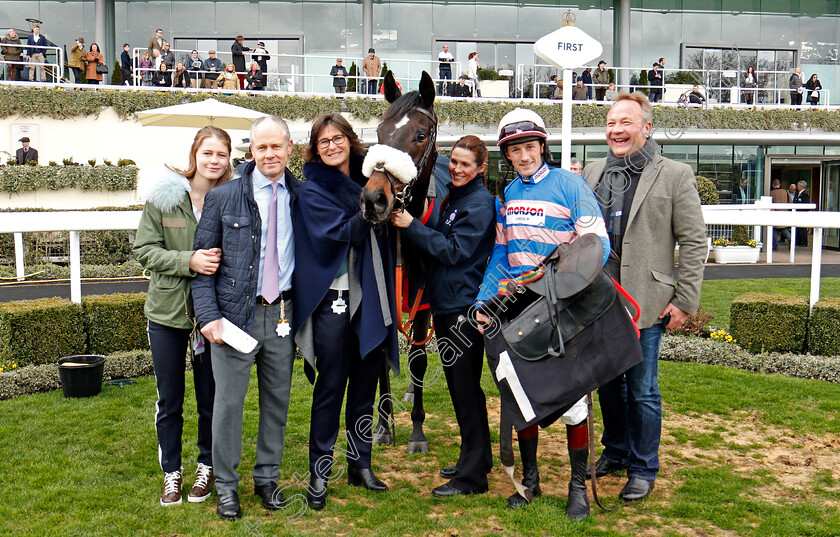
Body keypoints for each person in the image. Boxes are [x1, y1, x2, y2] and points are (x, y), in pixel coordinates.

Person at [475, 108, 610, 520]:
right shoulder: (509, 194)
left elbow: (596, 245)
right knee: (523, 395)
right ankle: (531, 481)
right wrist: (485, 299)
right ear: (508, 155)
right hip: (518, 308)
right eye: (515, 150)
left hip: (563, 306)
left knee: (573, 403)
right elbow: (502, 252)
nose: (524, 156)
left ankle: (577, 488)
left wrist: (554, 277)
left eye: (530, 147)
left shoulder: (572, 185)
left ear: (541, 147)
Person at [583, 92, 706, 503]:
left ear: (647, 128)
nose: (616, 130)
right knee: (607, 387)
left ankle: (642, 468)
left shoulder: (675, 174)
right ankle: (615, 452)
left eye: (626, 122)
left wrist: (685, 301)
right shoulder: (594, 171)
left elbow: (693, 241)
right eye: (611, 122)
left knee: (641, 390)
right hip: (599, 301)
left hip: (647, 302)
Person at [193, 116, 299, 520]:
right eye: (261, 147)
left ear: (290, 148)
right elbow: (203, 267)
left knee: (277, 402)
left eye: (276, 147)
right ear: (250, 151)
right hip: (233, 318)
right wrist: (208, 317)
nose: (269, 154)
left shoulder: (301, 196)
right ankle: (226, 488)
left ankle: (267, 480)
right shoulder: (223, 198)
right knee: (228, 405)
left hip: (283, 314)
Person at [293, 113, 398, 510]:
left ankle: (360, 463)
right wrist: (374, 205)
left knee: (365, 387)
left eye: (338, 138)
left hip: (370, 297)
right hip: (333, 301)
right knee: (331, 387)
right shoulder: (313, 189)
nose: (332, 146)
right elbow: (339, 234)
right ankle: (319, 472)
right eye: (324, 142)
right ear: (315, 149)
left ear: (350, 141)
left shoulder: (367, 180)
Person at [133, 126, 233, 507]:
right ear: (195, 154)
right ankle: (172, 473)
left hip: (213, 317)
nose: (213, 160)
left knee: (212, 397)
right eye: (207, 153)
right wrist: (187, 261)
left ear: (228, 160)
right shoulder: (164, 199)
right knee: (170, 399)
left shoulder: (230, 200)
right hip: (167, 315)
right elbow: (144, 250)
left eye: (221, 155)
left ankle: (206, 465)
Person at [392, 135, 495, 498]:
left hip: (462, 310)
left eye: (466, 164)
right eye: (454, 161)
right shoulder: (456, 197)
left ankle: (471, 478)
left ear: (482, 167)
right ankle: (479, 458)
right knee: (468, 390)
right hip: (451, 303)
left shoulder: (479, 203)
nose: (457, 168)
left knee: (463, 390)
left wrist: (411, 226)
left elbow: (453, 250)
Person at [770, 179, 791, 250]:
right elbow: (790, 202)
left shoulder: (772, 193)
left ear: (773, 185)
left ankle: (775, 246)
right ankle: (790, 239)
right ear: (780, 184)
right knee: (784, 228)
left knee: (774, 230)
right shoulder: (786, 191)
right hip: (785, 214)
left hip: (775, 214)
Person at [793, 180, 810, 246]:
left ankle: (804, 242)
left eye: (798, 185)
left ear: (801, 186)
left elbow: (806, 204)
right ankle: (798, 241)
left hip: (802, 213)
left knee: (802, 228)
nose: (797, 187)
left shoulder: (805, 194)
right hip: (797, 213)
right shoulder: (797, 193)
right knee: (798, 228)